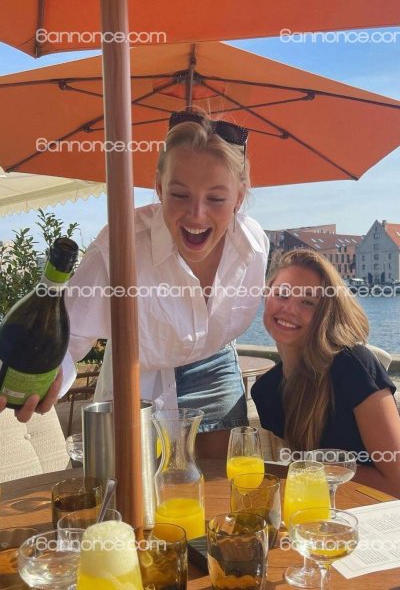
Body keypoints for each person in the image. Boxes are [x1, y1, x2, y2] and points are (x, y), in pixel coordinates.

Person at [1, 111, 268, 457]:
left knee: (223, 481)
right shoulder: (119, 248)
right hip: (138, 375)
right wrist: (47, 379)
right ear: (159, 187)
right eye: (179, 194)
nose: (197, 214)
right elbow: (67, 339)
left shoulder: (253, 246)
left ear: (239, 197)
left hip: (215, 367)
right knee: (136, 486)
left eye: (216, 199)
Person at [251, 249, 400, 497]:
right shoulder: (266, 391)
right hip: (321, 510)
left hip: (376, 510)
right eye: (282, 294)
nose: (290, 309)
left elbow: (397, 483)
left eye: (308, 302)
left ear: (326, 312)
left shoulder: (353, 366)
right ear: (267, 295)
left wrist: (308, 469)